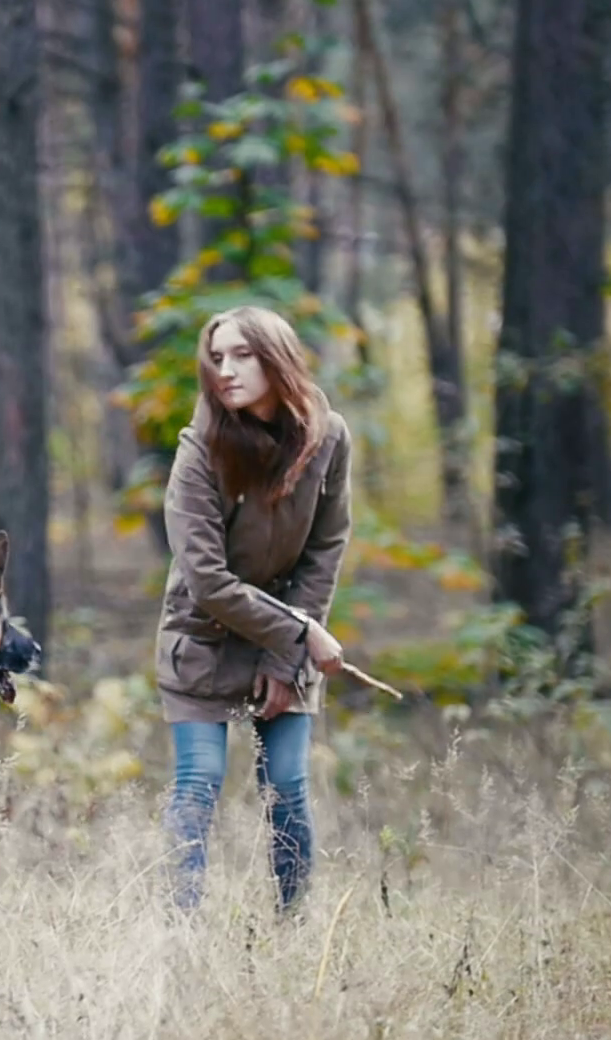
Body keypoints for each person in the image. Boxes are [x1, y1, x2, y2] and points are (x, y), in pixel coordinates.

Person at [152, 304, 353, 916]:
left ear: (278, 359)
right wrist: (302, 631)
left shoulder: (328, 437)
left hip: (287, 636)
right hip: (204, 634)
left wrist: (283, 649)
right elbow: (207, 581)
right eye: (217, 358)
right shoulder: (199, 449)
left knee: (287, 786)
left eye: (243, 355)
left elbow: (325, 546)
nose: (226, 371)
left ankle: (292, 927)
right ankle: (178, 935)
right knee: (198, 785)